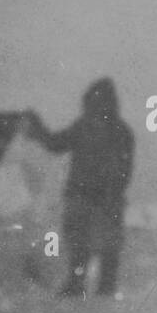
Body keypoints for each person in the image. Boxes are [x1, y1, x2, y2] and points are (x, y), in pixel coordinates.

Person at [25, 78, 134, 297]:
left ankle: (86, 286)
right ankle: (93, 286)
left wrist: (38, 131)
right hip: (94, 198)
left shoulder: (99, 129)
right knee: (89, 245)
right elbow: (56, 144)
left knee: (90, 245)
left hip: (91, 197)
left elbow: (55, 144)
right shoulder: (113, 130)